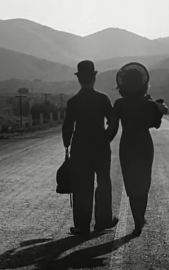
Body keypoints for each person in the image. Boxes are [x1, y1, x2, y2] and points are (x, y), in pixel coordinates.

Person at [108, 62, 168, 236]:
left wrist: (101, 142)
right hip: (144, 144)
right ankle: (139, 219)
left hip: (127, 145)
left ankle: (137, 218)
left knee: (131, 182)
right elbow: (155, 124)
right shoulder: (148, 104)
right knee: (143, 181)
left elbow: (112, 130)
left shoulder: (119, 104)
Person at [62, 60, 118, 236]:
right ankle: (103, 221)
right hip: (100, 146)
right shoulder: (102, 99)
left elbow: (67, 126)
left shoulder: (74, 102)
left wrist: (66, 144)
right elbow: (114, 122)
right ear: (94, 78)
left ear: (79, 79)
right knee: (103, 182)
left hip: (80, 148)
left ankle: (82, 225)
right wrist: (106, 138)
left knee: (81, 186)